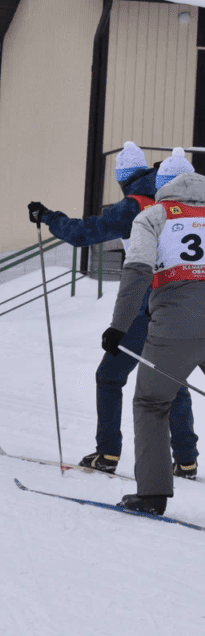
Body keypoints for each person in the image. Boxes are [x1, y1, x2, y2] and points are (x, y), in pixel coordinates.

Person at [28, 141, 198, 480]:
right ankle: (186, 459)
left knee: (109, 377)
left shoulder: (135, 205)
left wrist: (48, 217)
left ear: (123, 178)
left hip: (147, 305)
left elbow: (83, 233)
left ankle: (107, 452)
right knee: (170, 377)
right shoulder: (180, 202)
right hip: (182, 304)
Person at [100, 147, 203, 515]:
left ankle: (152, 495)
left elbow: (137, 272)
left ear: (162, 186)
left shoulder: (153, 217)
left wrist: (119, 326)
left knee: (151, 402)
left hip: (175, 326)